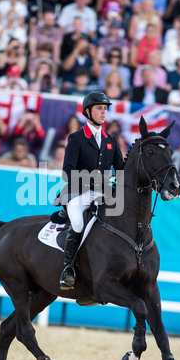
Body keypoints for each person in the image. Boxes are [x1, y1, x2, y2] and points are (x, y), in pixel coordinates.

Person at [56, 91, 124, 290]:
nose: (103, 113)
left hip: (103, 193)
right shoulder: (77, 138)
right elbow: (67, 172)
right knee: (77, 222)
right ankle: (67, 269)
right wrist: (92, 181)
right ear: (88, 111)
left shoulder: (111, 139)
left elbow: (120, 169)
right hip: (79, 192)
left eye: (105, 109)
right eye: (99, 108)